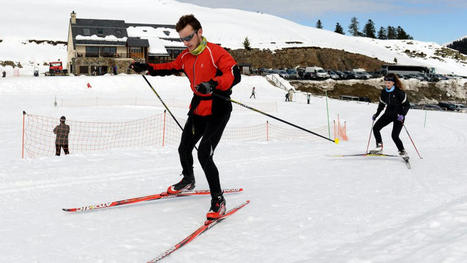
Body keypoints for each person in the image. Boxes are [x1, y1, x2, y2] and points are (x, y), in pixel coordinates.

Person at [130, 14, 240, 220]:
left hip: (218, 107)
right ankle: (188, 179)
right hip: (198, 107)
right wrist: (147, 67)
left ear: (199, 32)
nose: (186, 43)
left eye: (189, 37)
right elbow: (169, 67)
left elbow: (234, 74)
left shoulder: (216, 52)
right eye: (182, 39)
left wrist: (213, 84)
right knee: (184, 147)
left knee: (204, 153)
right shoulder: (186, 57)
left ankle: (218, 200)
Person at [371, 73, 410, 157]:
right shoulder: (384, 92)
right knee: (376, 128)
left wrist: (402, 115)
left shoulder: (399, 92)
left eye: (389, 82)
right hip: (388, 114)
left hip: (398, 116)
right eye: (386, 82)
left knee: (394, 136)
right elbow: (381, 105)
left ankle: (402, 151)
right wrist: (376, 114)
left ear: (393, 83)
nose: (387, 84)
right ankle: (379, 147)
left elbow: (407, 105)